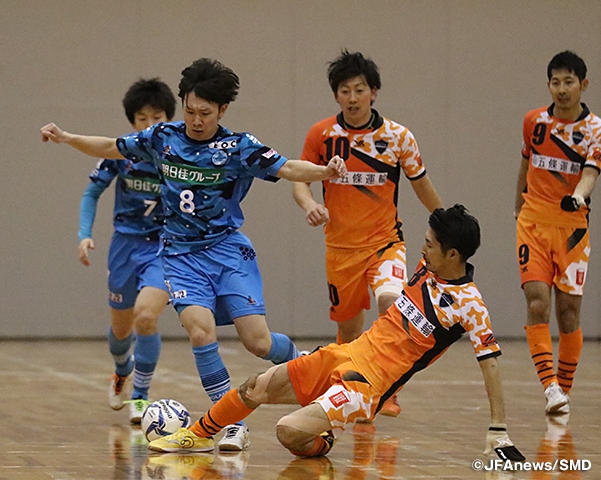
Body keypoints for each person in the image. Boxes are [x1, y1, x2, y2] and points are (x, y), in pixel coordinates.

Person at [41, 58, 347, 451]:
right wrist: (67, 137)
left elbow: (287, 168)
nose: (196, 119)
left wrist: (324, 172)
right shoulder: (162, 137)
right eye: (189, 110)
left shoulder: (239, 147)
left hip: (228, 253)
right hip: (180, 256)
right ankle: (231, 421)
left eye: (205, 113)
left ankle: (309, 360)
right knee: (199, 330)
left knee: (258, 343)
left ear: (222, 110)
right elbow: (110, 146)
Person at [147, 205, 525, 464]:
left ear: (454, 254)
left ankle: (326, 434)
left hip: (366, 385)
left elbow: (490, 366)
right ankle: (196, 435)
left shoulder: (470, 305)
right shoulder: (426, 267)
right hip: (345, 353)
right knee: (254, 387)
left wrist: (499, 429)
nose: (423, 248)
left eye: (430, 244)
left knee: (288, 433)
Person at [292, 50, 443, 416]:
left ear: (373, 92)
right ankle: (353, 386)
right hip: (341, 250)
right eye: (345, 91)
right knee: (348, 332)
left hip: (385, 243)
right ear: (336, 96)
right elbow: (299, 181)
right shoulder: (322, 134)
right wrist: (310, 205)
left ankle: (387, 387)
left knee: (390, 301)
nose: (353, 97)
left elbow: (420, 184)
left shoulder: (398, 137)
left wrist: (442, 219)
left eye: (360, 89)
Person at [77, 78, 175, 423]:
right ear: (133, 122)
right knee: (120, 331)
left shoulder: (181, 156)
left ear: (170, 118)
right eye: (142, 119)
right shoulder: (122, 153)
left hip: (164, 247)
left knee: (146, 317)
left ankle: (141, 395)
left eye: (157, 118)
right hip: (125, 245)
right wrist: (84, 234)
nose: (150, 125)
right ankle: (122, 370)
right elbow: (92, 193)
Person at [514, 50, 601, 415]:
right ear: (547, 84)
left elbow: (590, 174)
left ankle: (563, 389)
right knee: (537, 302)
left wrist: (578, 199)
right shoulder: (534, 122)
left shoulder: (594, 129)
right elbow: (525, 164)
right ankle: (549, 387)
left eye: (569, 82)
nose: (561, 90)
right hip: (533, 223)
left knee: (568, 313)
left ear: (583, 84)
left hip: (572, 231)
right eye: (555, 82)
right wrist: (518, 207)